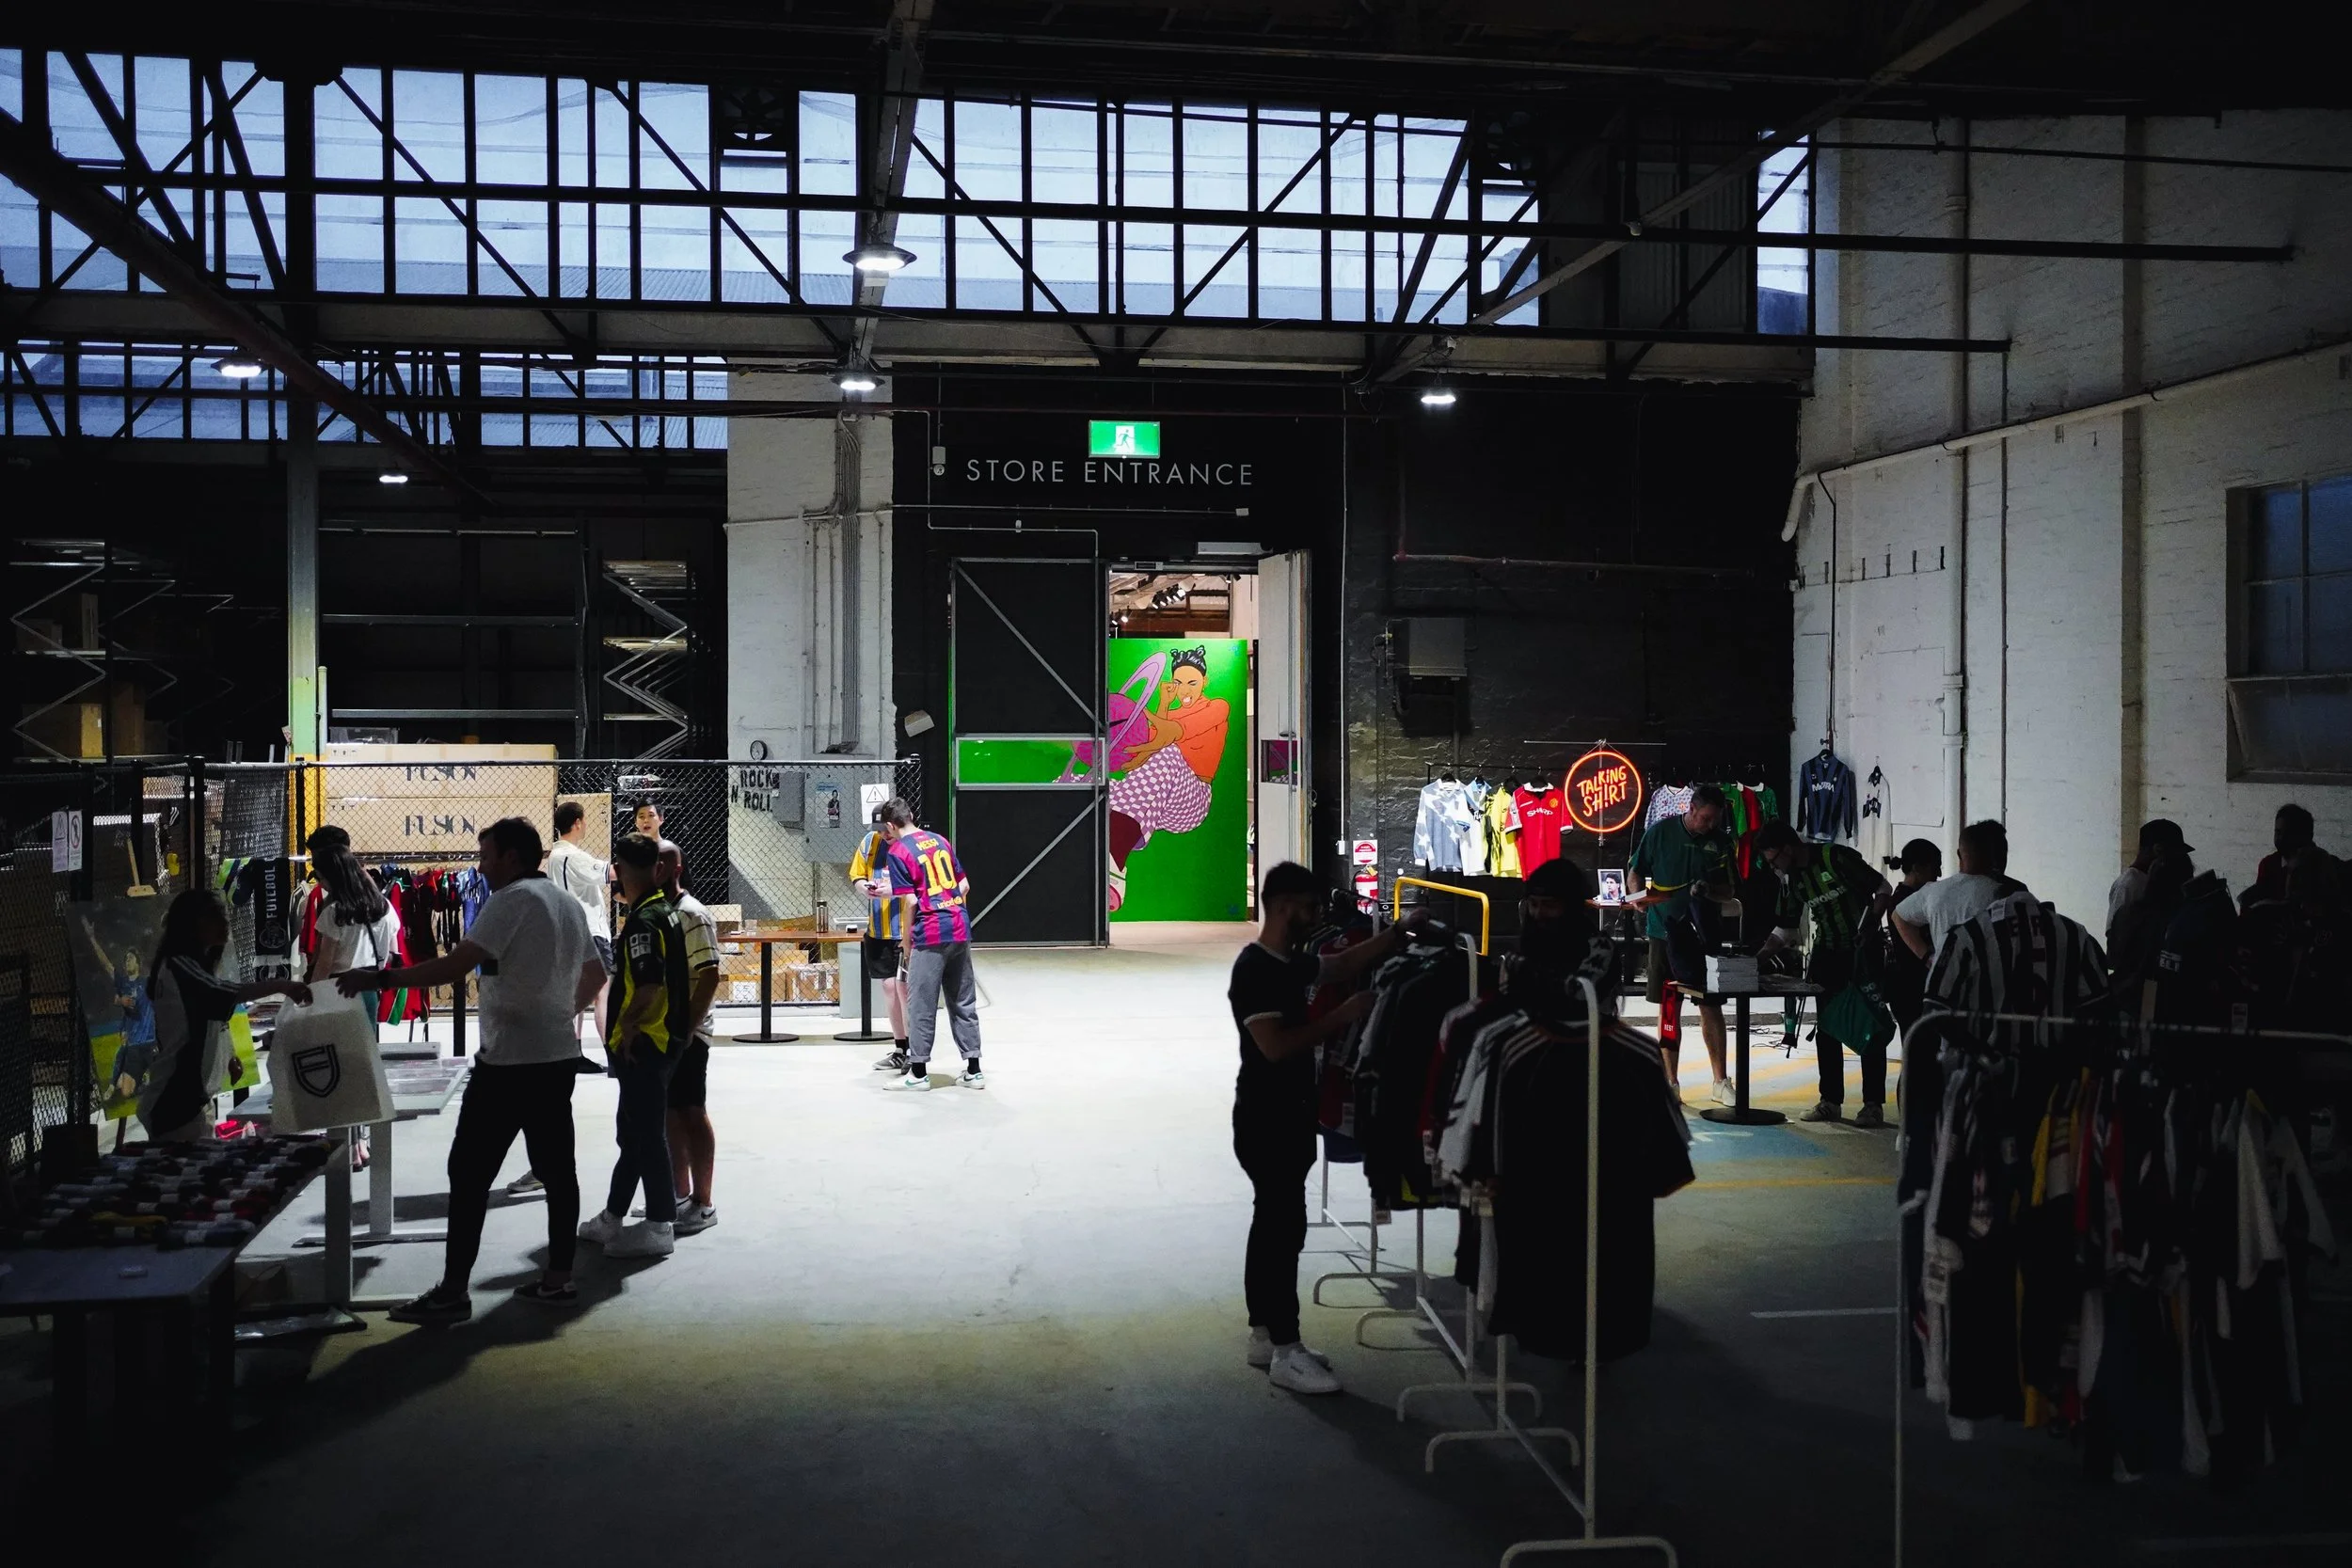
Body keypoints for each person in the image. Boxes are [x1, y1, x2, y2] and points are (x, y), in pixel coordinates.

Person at [337, 817, 607, 1324]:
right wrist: (556, 1011)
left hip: (507, 1064)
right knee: (557, 1169)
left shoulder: (509, 901)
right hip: (554, 1058)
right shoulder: (568, 905)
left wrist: (380, 976)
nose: (480, 866)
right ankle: (558, 1280)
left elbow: (454, 966)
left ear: (510, 857)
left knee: (469, 1174)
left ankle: (453, 1292)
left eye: (486, 856)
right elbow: (596, 972)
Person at [1229, 862, 1426, 1395]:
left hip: (1286, 1113)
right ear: (1289, 906)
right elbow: (1274, 1047)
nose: (1318, 917)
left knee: (1272, 1225)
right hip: (1267, 1118)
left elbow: (1337, 968)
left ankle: (1265, 1336)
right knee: (1282, 1229)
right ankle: (1286, 1350)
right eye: (1313, 908)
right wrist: (1343, 1018)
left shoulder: (1287, 962)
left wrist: (1395, 934)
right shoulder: (1256, 971)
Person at [578, 832, 692, 1259]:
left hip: (646, 1042)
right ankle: (613, 1216)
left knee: (645, 1134)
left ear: (627, 870)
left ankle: (660, 1224)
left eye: (617, 872)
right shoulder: (663, 912)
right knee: (634, 1133)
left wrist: (625, 1029)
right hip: (660, 1039)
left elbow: (647, 987)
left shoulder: (645, 920)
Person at [141, 891, 311, 1143]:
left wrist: (228, 1056)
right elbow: (221, 995)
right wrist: (282, 985)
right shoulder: (179, 966)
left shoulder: (193, 966)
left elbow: (209, 1016)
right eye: (217, 916)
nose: (225, 923)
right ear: (195, 923)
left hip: (191, 1102)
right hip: (175, 1102)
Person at [1756, 819, 1890, 1125]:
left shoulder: (1835, 858)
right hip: (1826, 954)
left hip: (1862, 953)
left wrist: (1872, 923)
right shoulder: (1792, 880)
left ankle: (1873, 1104)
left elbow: (1883, 887)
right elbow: (1785, 929)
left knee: (1868, 1025)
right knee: (1827, 1028)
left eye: (1775, 859)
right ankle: (1830, 1101)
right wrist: (1757, 959)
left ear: (1789, 848)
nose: (1775, 867)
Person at [1626, 783, 1739, 1103]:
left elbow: (1728, 890)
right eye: (1705, 818)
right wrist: (1636, 898)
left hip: (1705, 935)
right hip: (1664, 931)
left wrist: (1709, 892)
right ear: (1690, 809)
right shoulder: (1660, 833)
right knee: (1669, 1008)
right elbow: (1635, 871)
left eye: (1715, 819)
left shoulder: (1720, 841)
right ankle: (1670, 1082)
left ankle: (1720, 1081)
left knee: (1711, 1006)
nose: (1710, 825)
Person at [1105, 644, 1232, 913]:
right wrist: (1163, 704)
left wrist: (1170, 730)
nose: (1184, 690)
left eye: (1191, 683)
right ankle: (1085, 853)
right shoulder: (1169, 713)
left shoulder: (1217, 707)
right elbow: (1153, 741)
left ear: (1205, 682)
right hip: (1155, 803)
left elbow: (1176, 734)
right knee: (1087, 782)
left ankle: (1114, 859)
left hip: (1191, 801)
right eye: (1178, 682)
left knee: (1169, 753)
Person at [876, 800, 984, 1091]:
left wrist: (908, 943)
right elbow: (964, 885)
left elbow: (911, 901)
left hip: (931, 932)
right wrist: (953, 911)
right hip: (959, 927)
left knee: (921, 1003)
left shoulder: (898, 852)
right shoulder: (939, 840)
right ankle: (974, 1070)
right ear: (910, 816)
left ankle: (919, 1073)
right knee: (962, 1000)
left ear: (891, 825)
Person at [657, 839, 723, 1235]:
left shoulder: (692, 914)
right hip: (664, 1029)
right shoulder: (655, 912)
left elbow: (710, 976)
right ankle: (679, 1194)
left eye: (660, 863)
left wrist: (686, 1029)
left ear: (676, 869)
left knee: (691, 1112)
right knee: (669, 1114)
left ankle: (703, 1202)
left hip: (689, 1032)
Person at [1893, 819, 2016, 962]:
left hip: (1945, 980)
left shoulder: (1932, 892)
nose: (1938, 874)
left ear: (1959, 854)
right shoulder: (2007, 891)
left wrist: (1929, 959)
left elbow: (1898, 916)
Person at [850, 803, 914, 1072]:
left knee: (904, 989)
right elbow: (856, 874)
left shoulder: (910, 846)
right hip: (878, 930)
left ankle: (915, 1050)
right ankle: (900, 1048)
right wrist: (864, 887)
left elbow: (918, 888)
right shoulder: (870, 842)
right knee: (889, 988)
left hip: (903, 931)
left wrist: (893, 891)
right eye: (879, 830)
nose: (883, 835)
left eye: (885, 830)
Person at [1873, 839, 1942, 1036]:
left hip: (1907, 985)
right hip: (1911, 986)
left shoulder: (1905, 896)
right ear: (1917, 868)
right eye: (1934, 867)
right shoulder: (1906, 902)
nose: (1938, 874)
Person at [2106, 818, 2194, 962]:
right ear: (2158, 850)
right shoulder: (2129, 884)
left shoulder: (2148, 879)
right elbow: (2117, 940)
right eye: (2175, 853)